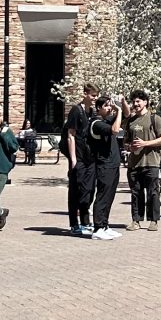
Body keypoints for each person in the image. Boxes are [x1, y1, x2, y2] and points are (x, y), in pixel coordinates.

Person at [123, 90, 161, 230]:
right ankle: (136, 221)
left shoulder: (154, 118)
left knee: (153, 193)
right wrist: (129, 146)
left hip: (151, 163)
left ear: (145, 102)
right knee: (136, 193)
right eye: (134, 101)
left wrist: (145, 143)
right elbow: (125, 141)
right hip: (134, 163)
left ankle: (153, 220)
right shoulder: (130, 121)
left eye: (138, 101)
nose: (136, 104)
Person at [83, 95, 124, 239]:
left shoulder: (105, 120)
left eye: (109, 105)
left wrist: (122, 103)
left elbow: (126, 114)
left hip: (113, 164)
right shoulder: (96, 123)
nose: (109, 108)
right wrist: (117, 112)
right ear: (99, 108)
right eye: (106, 106)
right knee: (102, 195)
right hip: (104, 165)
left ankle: (105, 225)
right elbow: (115, 130)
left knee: (109, 196)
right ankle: (98, 228)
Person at [64, 84, 98, 235]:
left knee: (89, 189)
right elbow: (70, 135)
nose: (95, 98)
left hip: (90, 157)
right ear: (85, 94)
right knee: (76, 190)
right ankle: (74, 223)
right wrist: (73, 160)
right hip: (78, 157)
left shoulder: (92, 112)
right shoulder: (76, 110)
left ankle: (85, 220)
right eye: (92, 95)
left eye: (96, 95)